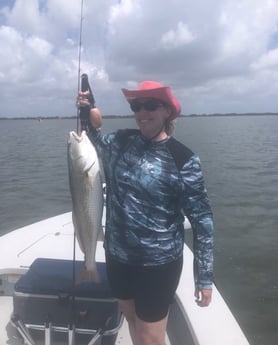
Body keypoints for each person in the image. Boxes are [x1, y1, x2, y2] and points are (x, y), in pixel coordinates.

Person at [76, 80, 214, 345]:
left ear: (167, 112)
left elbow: (202, 220)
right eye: (136, 106)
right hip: (118, 257)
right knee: (132, 319)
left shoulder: (184, 159)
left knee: (151, 339)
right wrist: (88, 109)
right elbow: (89, 145)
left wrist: (205, 277)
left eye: (150, 105)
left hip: (159, 265)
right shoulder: (120, 141)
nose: (142, 112)